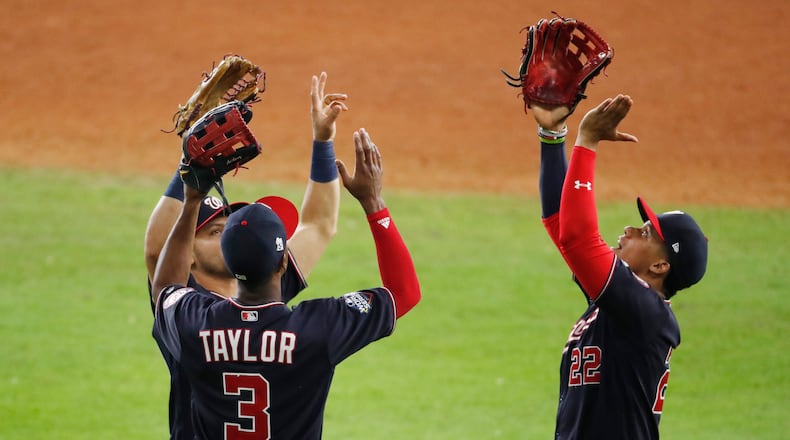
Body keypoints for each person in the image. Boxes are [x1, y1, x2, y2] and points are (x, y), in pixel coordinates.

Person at [151, 127, 421, 439]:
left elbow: (165, 289)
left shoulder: (194, 325)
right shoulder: (316, 330)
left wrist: (192, 198)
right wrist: (373, 202)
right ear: (284, 263)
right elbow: (404, 293)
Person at [143, 71, 348, 439]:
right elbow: (158, 248)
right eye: (215, 232)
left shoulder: (266, 283)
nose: (230, 239)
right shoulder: (183, 306)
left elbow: (318, 225)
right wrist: (189, 168)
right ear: (186, 254)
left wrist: (323, 140)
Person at [532, 94, 708, 439]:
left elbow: (578, 240)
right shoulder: (618, 303)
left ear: (660, 265)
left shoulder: (645, 312)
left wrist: (587, 141)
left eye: (644, 233)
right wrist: (552, 136)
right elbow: (560, 221)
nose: (628, 230)